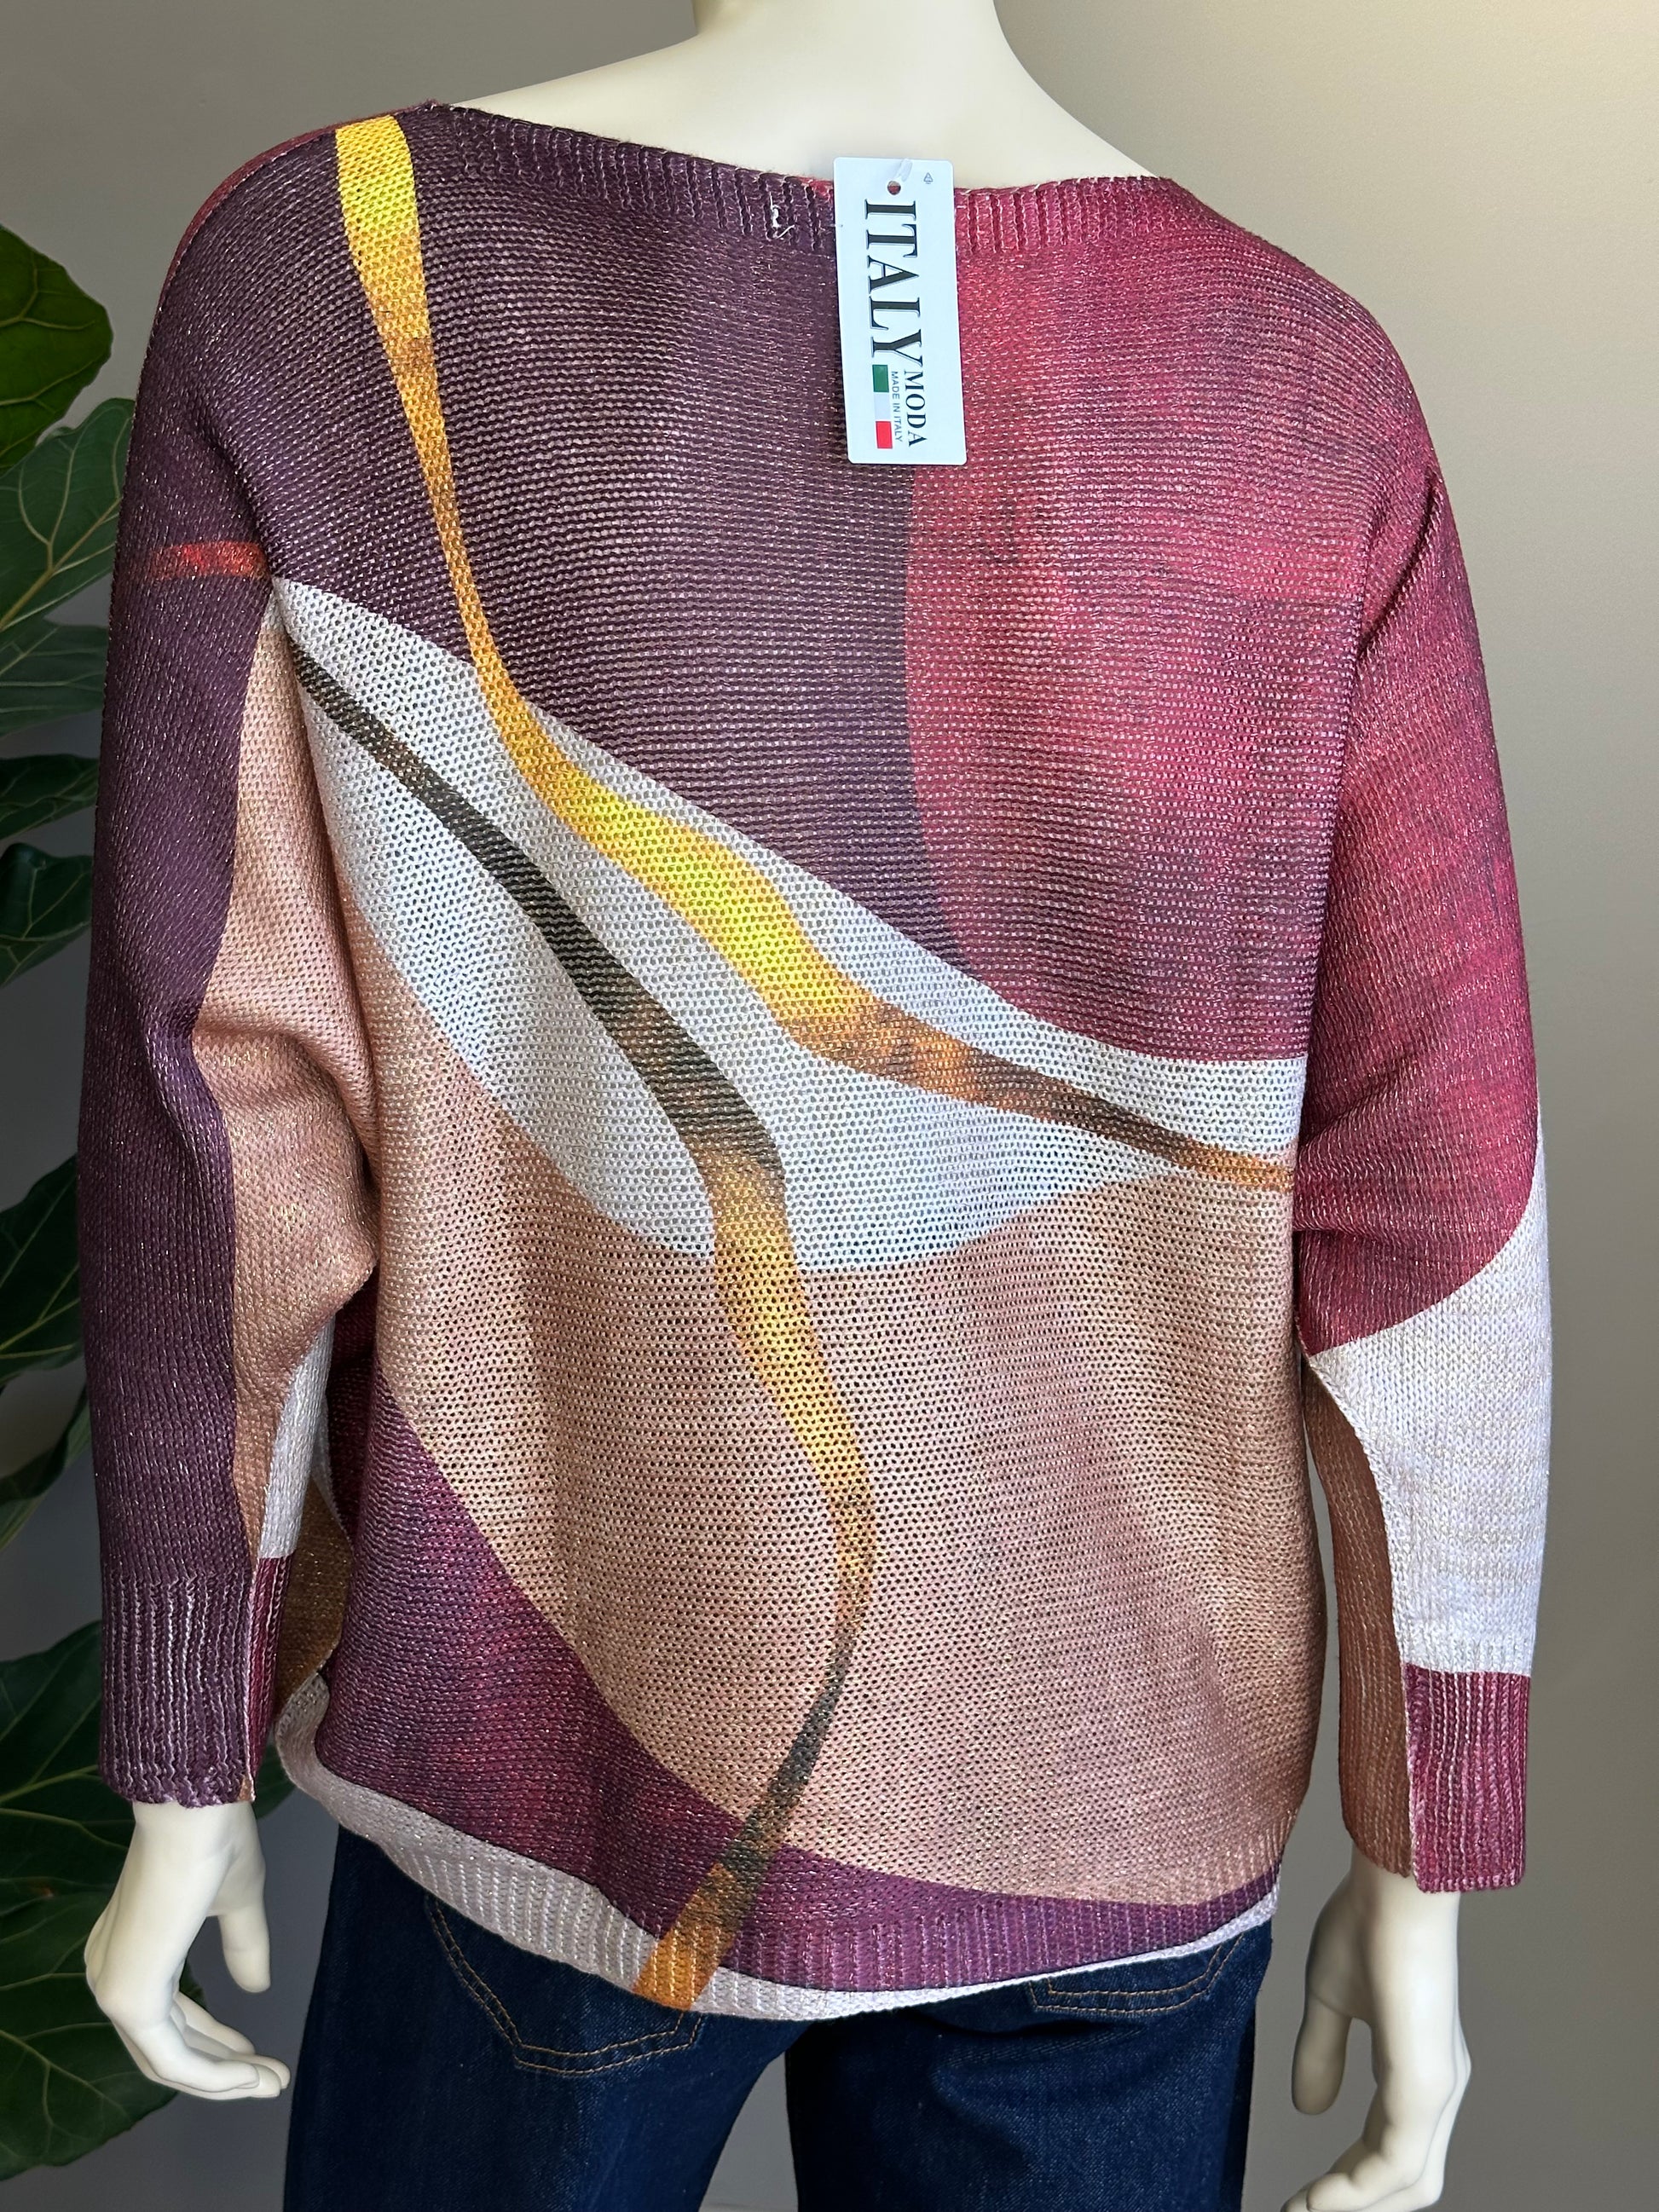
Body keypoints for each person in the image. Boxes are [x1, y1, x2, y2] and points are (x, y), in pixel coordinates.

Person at [78, 4, 1550, 2209]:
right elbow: (1433, 1185)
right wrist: (1419, 1856)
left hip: (558, 1744)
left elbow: (221, 1098)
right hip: (1112, 1779)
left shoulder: (338, 272)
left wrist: (187, 1747)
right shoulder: (1302, 383)